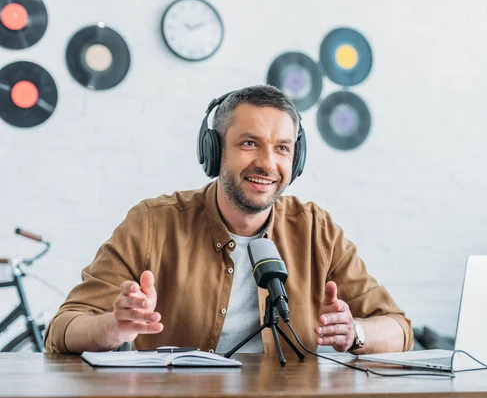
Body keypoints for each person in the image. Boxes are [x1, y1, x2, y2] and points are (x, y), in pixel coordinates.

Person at [44, 85, 414, 355]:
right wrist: (112, 327)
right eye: (249, 143)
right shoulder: (152, 224)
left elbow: (399, 330)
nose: (268, 164)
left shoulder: (316, 229)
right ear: (214, 151)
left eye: (282, 148)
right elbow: (61, 329)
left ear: (295, 161)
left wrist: (355, 333)